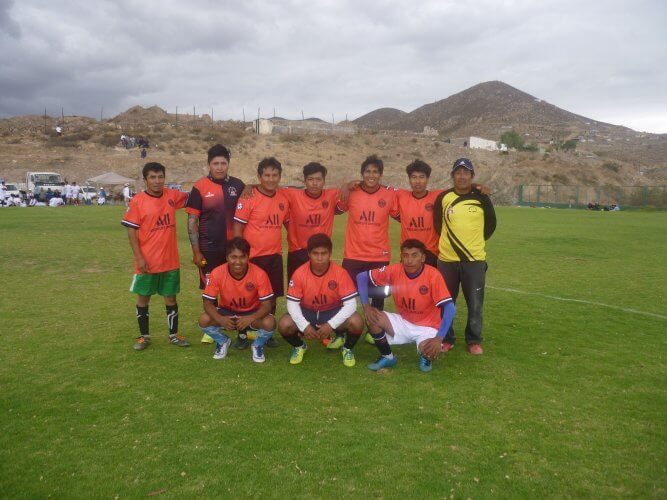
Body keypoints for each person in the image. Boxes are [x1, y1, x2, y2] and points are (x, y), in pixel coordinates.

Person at [357, 239, 455, 373]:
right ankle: (388, 356)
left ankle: (425, 356)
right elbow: (361, 277)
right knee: (372, 317)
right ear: (401, 256)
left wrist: (439, 338)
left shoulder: (433, 275)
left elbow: (450, 307)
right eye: (405, 255)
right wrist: (366, 306)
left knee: (429, 350)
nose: (409, 260)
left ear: (423, 258)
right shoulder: (395, 270)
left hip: (427, 327)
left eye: (414, 255)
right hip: (403, 322)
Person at [121, 162, 190, 351]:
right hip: (147, 262)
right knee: (143, 299)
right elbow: (131, 232)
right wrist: (139, 258)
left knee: (171, 299)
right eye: (152, 177)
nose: (157, 181)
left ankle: (174, 335)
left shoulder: (172, 195)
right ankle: (144, 337)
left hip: (170, 261)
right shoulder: (138, 201)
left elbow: (196, 196)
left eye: (160, 177)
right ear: (145, 180)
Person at [433, 158, 496, 355]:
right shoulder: (443, 198)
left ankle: (474, 340)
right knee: (446, 301)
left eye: (466, 173)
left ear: (472, 176)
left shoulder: (482, 198)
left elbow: (490, 225)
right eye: (458, 172)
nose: (462, 176)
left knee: (475, 302)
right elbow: (438, 225)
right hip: (447, 260)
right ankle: (447, 338)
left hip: (474, 260)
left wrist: (474, 242)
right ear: (452, 176)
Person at [186, 144, 245, 344]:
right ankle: (212, 324)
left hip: (234, 249)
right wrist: (196, 251)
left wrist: (252, 186)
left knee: (236, 286)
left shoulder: (238, 185)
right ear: (209, 164)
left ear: (228, 164)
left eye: (223, 163)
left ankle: (241, 326)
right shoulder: (199, 187)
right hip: (209, 249)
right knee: (211, 289)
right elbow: (192, 222)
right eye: (215, 163)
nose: (220, 167)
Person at [337, 155, 399, 343]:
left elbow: (401, 214)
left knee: (378, 298)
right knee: (345, 296)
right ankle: (341, 333)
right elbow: (338, 208)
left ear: (380, 175)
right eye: (368, 171)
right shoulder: (352, 192)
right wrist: (345, 185)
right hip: (354, 254)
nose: (371, 175)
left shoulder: (389, 195)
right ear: (362, 174)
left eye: (375, 172)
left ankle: (374, 331)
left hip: (379, 254)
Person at [280, 234, 364, 367]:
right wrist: (304, 325)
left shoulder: (340, 273)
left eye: (323, 253)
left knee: (357, 322)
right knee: (285, 324)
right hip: (308, 312)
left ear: (330, 253)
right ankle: (299, 346)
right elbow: (292, 303)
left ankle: (347, 348)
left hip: (331, 312)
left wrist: (331, 324)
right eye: (315, 253)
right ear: (309, 254)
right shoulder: (300, 273)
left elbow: (351, 304)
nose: (319, 258)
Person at [233, 157, 289, 349]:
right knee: (249, 297)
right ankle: (242, 333)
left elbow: (289, 224)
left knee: (270, 298)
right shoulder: (248, 196)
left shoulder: (283, 198)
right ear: (260, 176)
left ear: (280, 177)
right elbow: (238, 228)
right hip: (253, 256)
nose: (271, 179)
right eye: (266, 175)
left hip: (274, 255)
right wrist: (240, 255)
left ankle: (267, 332)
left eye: (275, 175)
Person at [199, 237, 276, 363]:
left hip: (251, 313)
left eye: (242, 257)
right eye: (233, 257)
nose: (238, 261)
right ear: (227, 257)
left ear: (248, 256)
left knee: (270, 322)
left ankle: (257, 345)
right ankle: (223, 341)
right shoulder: (217, 273)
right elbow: (207, 303)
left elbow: (267, 305)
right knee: (204, 319)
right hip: (227, 313)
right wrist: (220, 319)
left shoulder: (259, 274)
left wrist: (251, 318)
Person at [394, 160, 445, 267]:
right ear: (409, 179)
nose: (418, 181)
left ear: (427, 179)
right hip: (408, 254)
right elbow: (379, 188)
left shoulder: (438, 196)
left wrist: (475, 186)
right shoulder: (401, 195)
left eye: (422, 177)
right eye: (414, 177)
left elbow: (459, 190)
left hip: (431, 254)